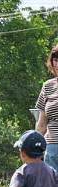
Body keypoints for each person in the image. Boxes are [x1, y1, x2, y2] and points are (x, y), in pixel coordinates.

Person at [35, 44, 58, 172]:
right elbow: (41, 125)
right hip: (52, 150)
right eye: (56, 60)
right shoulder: (47, 86)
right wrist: (34, 147)